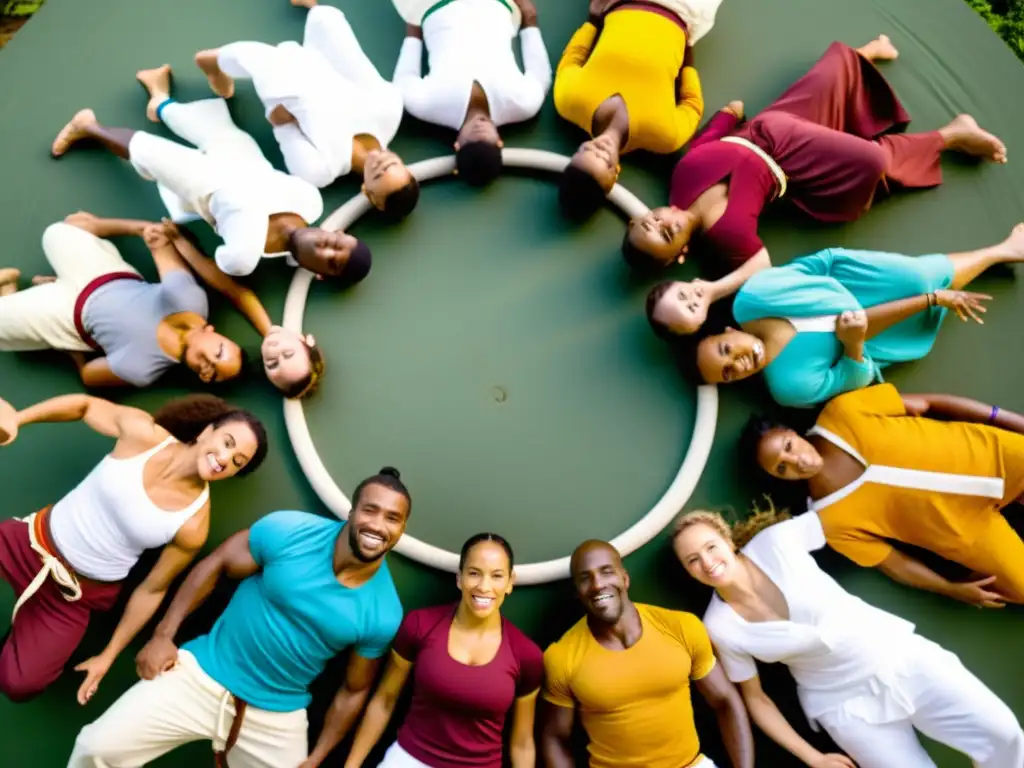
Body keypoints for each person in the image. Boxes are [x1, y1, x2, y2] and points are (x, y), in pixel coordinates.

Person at [67, 467, 411, 768]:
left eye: (392, 518)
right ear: (352, 512)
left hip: (277, 716)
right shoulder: (291, 531)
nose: (378, 525)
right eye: (371, 510)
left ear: (401, 528)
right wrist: (163, 636)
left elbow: (354, 690)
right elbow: (215, 564)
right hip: (202, 675)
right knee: (97, 748)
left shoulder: (383, 611)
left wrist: (317, 758)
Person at [621, 36, 1007, 287]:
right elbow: (760, 270)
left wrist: (726, 114)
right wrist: (710, 291)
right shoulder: (726, 237)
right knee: (872, 160)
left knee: (825, 77)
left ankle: (862, 59)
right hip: (793, 165)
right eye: (667, 233)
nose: (665, 219)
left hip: (764, 129)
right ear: (682, 253)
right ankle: (951, 135)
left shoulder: (680, 178)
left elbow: (703, 143)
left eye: (652, 219)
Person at [672, 506, 1024, 768]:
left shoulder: (776, 542)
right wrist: (814, 758)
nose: (706, 561)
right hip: (841, 706)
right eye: (693, 560)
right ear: (689, 573)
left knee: (1005, 734)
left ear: (728, 540)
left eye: (710, 546)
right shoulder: (719, 626)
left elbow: (849, 515)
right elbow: (757, 700)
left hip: (899, 656)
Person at [0, 392, 267, 704]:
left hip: (74, 595)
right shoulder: (144, 435)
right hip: (28, 543)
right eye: (227, 442)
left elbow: (152, 590)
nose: (224, 458)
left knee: (21, 684)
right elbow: (85, 406)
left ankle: (24, 636)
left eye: (237, 461)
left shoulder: (193, 524)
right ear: (206, 431)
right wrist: (18, 418)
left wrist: (108, 656)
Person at [51, 66, 373, 282]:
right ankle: (160, 99)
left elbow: (223, 246)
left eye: (331, 260)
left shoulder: (245, 257)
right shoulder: (310, 202)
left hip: (203, 185)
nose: (325, 247)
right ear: (336, 232)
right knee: (197, 122)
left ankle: (87, 125)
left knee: (148, 151)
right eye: (335, 242)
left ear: (319, 274)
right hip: (237, 154)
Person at [745, 382, 1024, 608]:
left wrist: (1003, 418)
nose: (798, 461)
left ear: (793, 433)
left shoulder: (842, 413)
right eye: (782, 467)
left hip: (995, 455)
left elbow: (930, 402)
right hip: (968, 531)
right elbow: (895, 564)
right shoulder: (831, 522)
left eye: (789, 446)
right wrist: (951, 589)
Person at [684, 232, 1024, 408]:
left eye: (726, 349)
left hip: (849, 277)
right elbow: (856, 376)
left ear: (728, 330)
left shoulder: (752, 298)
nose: (737, 361)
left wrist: (848, 266)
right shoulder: (790, 387)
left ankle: (1002, 250)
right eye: (729, 372)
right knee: (924, 293)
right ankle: (1001, 253)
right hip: (874, 336)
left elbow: (814, 267)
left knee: (918, 277)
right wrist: (853, 342)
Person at [193, 0, 420, 221]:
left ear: (368, 191)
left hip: (290, 89)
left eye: (378, 174)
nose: (379, 162)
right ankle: (311, 7)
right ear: (403, 163)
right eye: (391, 164)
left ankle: (215, 63)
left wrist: (282, 112)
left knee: (265, 65)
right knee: (330, 23)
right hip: (329, 70)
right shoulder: (389, 112)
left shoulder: (321, 170)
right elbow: (355, 63)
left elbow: (283, 125)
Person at [539, 539, 754, 768]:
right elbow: (554, 737)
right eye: (585, 578)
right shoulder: (561, 656)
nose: (597, 584)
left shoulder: (681, 626)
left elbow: (725, 700)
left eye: (606, 572)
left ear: (625, 578)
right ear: (578, 592)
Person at [344, 533, 542, 767]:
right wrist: (352, 765)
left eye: (497, 576)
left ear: (510, 582)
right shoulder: (420, 625)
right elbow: (384, 701)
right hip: (410, 758)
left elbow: (522, 742)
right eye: (474, 573)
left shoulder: (526, 655)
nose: (484, 586)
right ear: (459, 578)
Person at [0, 211, 244, 389]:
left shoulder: (143, 370)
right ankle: (88, 226)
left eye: (212, 374)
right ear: (213, 331)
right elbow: (159, 243)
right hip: (102, 273)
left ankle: (10, 293)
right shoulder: (190, 301)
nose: (208, 364)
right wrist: (137, 229)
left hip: (69, 316)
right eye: (219, 353)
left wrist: (60, 337)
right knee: (57, 231)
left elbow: (88, 375)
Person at [553, 0, 724, 220]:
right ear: (615, 173)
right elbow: (692, 103)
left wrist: (593, 19)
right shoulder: (664, 137)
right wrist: (687, 48)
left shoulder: (569, 102)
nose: (600, 147)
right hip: (684, 11)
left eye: (587, 151)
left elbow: (573, 57)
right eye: (604, 160)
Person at [391, 0, 552, 187]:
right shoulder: (524, 103)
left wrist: (413, 32)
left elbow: (404, 79)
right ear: (499, 142)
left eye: (472, 143)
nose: (479, 132)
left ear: (458, 144)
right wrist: (529, 20)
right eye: (486, 143)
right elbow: (540, 74)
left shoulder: (426, 105)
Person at [159, 219, 326, 398]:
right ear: (304, 340)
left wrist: (181, 244)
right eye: (288, 353)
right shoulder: (268, 328)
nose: (274, 351)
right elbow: (235, 292)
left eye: (272, 364)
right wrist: (183, 244)